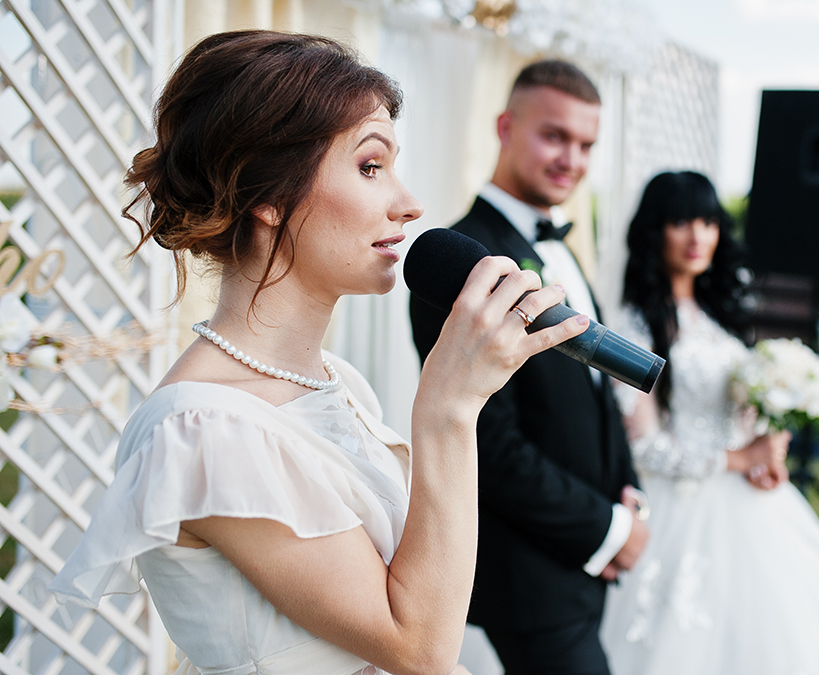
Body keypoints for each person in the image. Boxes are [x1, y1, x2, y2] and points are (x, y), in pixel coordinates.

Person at [49, 31, 587, 675]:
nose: (408, 204)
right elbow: (419, 646)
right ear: (268, 196)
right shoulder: (201, 433)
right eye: (369, 167)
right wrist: (449, 407)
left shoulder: (338, 383)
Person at [599, 171, 819, 675]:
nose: (698, 237)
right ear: (654, 232)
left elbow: (736, 407)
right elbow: (643, 446)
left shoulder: (718, 314)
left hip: (749, 493)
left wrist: (765, 446)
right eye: (681, 222)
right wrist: (737, 458)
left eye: (709, 222)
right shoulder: (634, 326)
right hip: (677, 504)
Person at [409, 61, 644, 675]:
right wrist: (606, 530)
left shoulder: (558, 248)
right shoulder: (463, 265)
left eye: (587, 144)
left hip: (584, 563)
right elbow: (490, 442)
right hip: (532, 575)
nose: (573, 158)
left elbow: (594, 396)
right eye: (555, 135)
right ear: (505, 126)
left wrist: (627, 496)